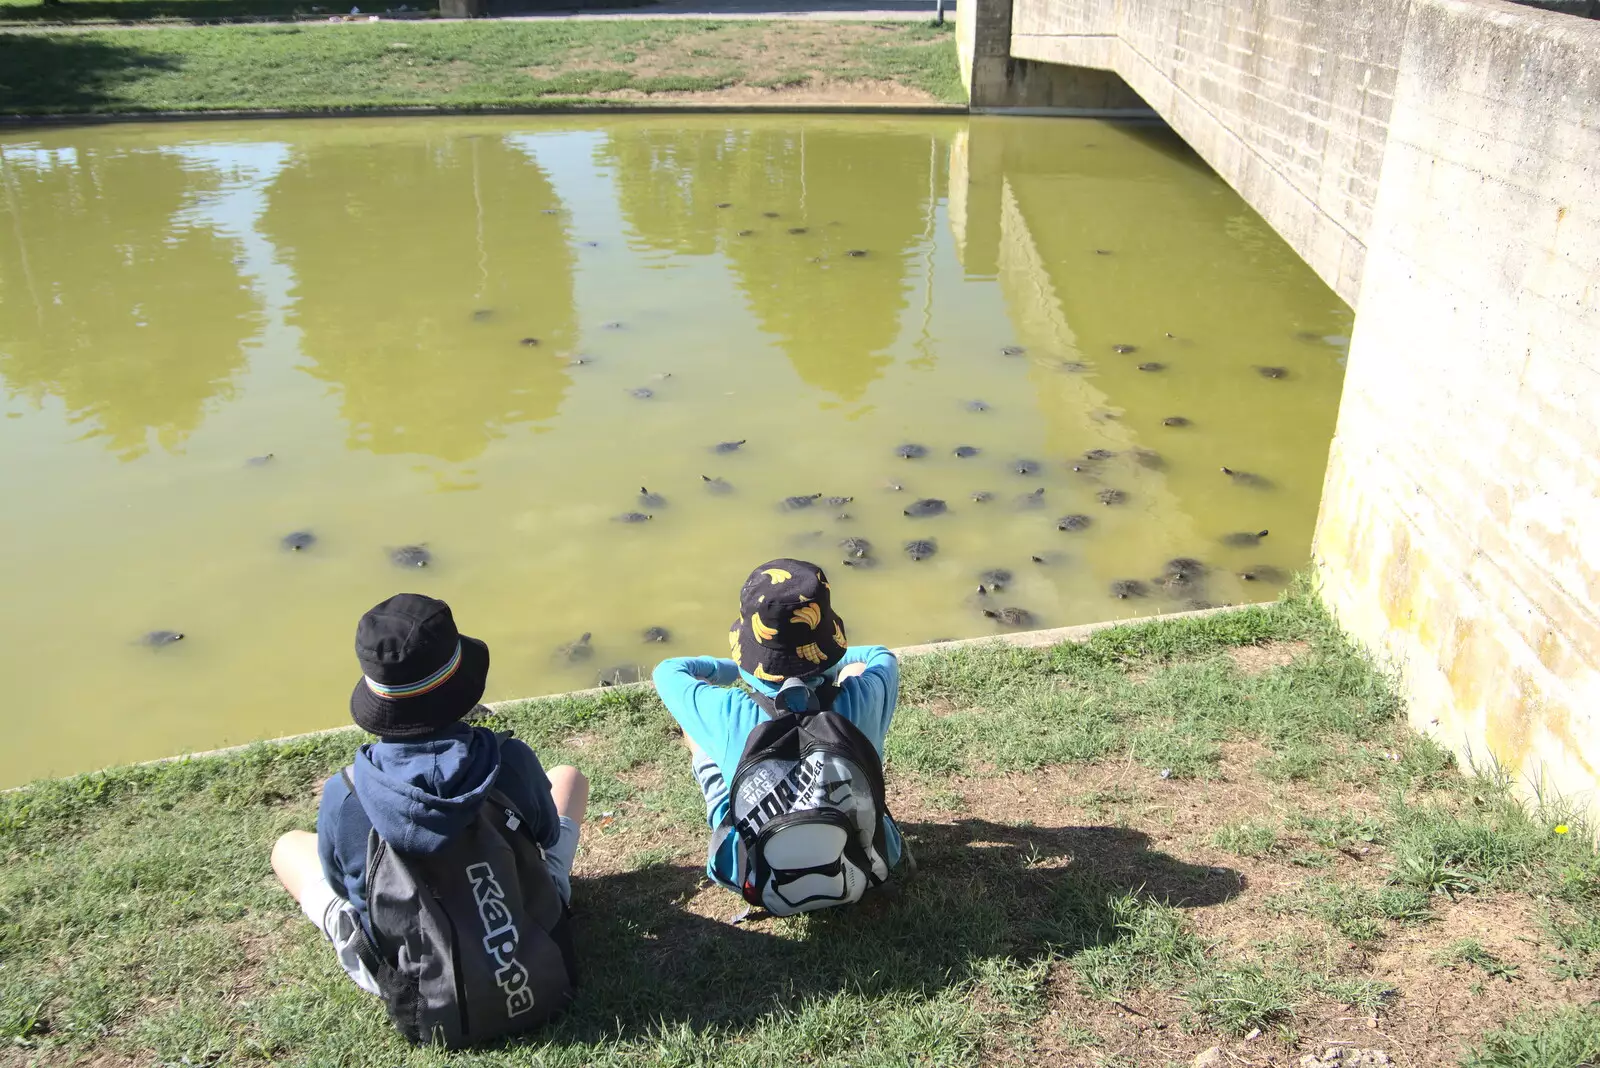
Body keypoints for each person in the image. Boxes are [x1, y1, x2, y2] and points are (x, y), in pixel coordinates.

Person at [271, 593, 588, 1042]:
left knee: (288, 847)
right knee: (568, 777)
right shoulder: (509, 761)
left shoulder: (346, 796)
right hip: (541, 953)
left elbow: (350, 892)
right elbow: (546, 833)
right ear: (460, 686)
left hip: (424, 992)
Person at [653, 558, 906, 912]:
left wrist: (734, 668)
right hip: (863, 865)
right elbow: (881, 656)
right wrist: (832, 663)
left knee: (696, 729)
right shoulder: (864, 697)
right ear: (829, 634)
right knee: (859, 678)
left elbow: (668, 671)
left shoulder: (728, 711)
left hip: (758, 877)